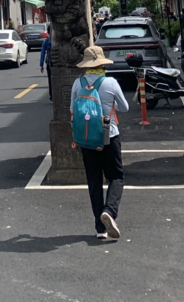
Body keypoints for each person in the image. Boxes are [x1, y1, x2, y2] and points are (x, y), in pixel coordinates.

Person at [71, 45, 129, 241]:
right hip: (109, 135)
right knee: (116, 177)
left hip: (87, 138)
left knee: (94, 181)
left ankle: (100, 228)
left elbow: (72, 110)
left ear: (86, 65)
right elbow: (124, 107)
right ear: (102, 63)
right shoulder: (110, 82)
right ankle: (109, 211)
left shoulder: (78, 84)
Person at [39, 26, 52, 100]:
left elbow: (42, 54)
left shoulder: (46, 41)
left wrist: (41, 65)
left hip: (49, 63)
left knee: (50, 80)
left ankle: (51, 96)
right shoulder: (58, 41)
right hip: (58, 64)